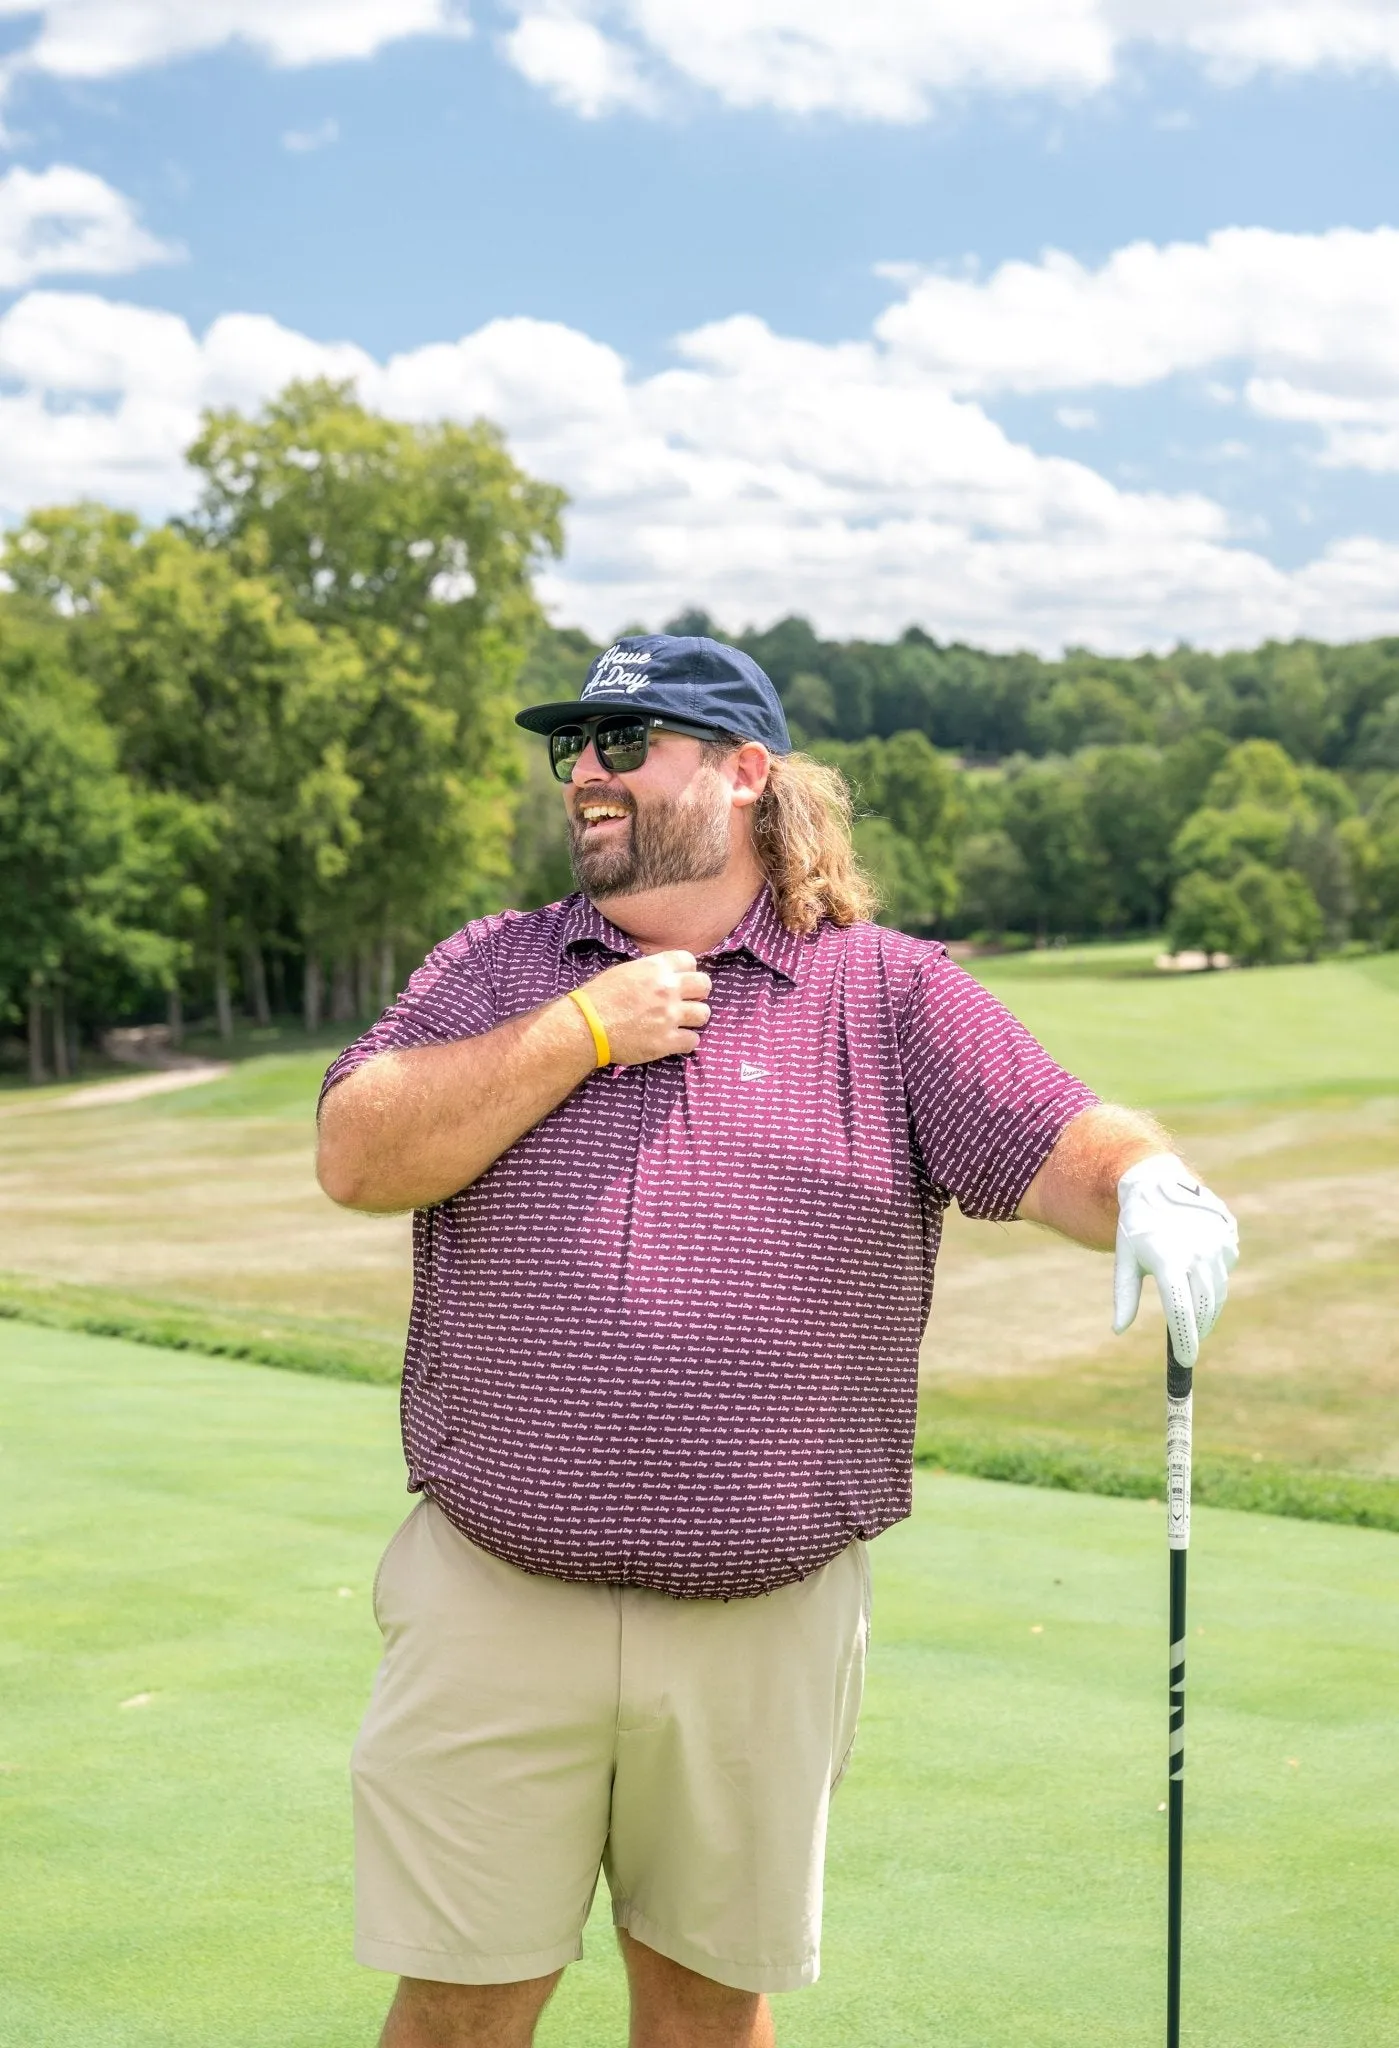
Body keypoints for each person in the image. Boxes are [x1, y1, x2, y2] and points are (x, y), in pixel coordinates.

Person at [316, 633, 1239, 2048]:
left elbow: (1055, 1133)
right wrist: (581, 1028)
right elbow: (358, 1150)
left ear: (744, 774)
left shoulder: (885, 993)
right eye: (575, 748)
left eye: (627, 744)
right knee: (459, 2005)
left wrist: (1145, 1185)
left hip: (763, 1622)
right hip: (494, 1596)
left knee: (704, 2007)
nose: (586, 777)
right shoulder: (499, 966)